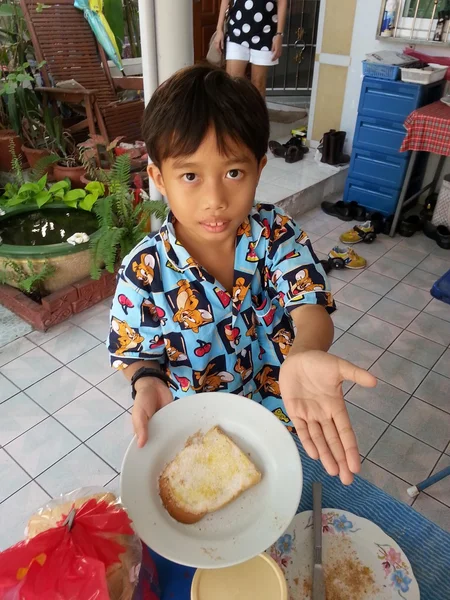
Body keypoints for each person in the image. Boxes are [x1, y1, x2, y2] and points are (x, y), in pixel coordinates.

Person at [107, 65, 377, 486]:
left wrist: (306, 352)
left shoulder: (276, 233)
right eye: (190, 176)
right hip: (198, 433)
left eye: (233, 173)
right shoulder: (144, 273)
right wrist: (145, 382)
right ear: (159, 178)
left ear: (259, 167)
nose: (215, 200)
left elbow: (310, 305)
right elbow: (133, 349)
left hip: (284, 419)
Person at [214, 0, 287, 96]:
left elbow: (282, 2)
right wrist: (219, 29)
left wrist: (279, 34)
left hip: (265, 33)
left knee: (259, 85)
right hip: (237, 31)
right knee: (233, 83)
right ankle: (234, 111)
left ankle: (257, 111)